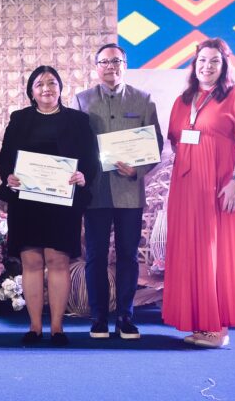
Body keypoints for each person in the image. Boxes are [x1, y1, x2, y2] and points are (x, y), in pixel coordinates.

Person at [163, 37, 235, 348]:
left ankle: (216, 329)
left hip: (222, 185)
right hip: (187, 188)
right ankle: (202, 323)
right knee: (194, 252)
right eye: (202, 61)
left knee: (215, 252)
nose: (207, 67)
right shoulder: (182, 100)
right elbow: (175, 142)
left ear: (224, 66)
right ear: (194, 65)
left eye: (214, 61)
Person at [0, 65, 98, 346]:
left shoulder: (78, 120)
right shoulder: (19, 119)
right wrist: (9, 175)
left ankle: (57, 328)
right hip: (26, 202)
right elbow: (5, 157)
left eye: (52, 83)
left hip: (61, 202)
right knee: (31, 261)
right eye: (40, 84)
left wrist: (83, 176)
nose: (46, 88)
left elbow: (91, 158)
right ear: (31, 91)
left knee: (58, 261)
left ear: (61, 88)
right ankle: (34, 327)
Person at [72, 44, 164, 340]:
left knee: (128, 255)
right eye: (104, 61)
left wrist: (137, 170)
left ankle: (125, 316)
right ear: (96, 66)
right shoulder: (83, 100)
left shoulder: (143, 99)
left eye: (116, 61)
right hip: (95, 191)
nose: (110, 66)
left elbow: (156, 144)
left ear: (125, 64)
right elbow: (75, 144)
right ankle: (98, 317)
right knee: (95, 256)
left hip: (129, 191)